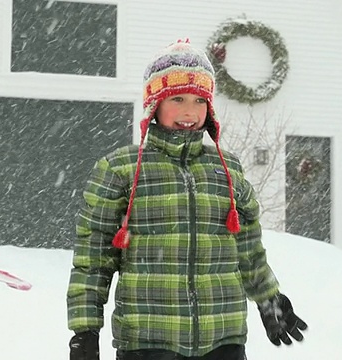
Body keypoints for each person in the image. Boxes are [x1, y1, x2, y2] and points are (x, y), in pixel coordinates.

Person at [67, 39, 307, 360]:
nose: (189, 111)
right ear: (155, 105)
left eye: (199, 100)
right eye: (177, 99)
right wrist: (85, 330)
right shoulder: (121, 169)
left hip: (223, 337)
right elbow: (94, 257)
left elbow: (247, 245)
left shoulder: (227, 167)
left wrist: (268, 297)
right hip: (148, 339)